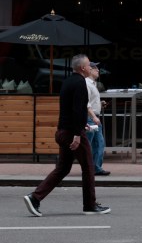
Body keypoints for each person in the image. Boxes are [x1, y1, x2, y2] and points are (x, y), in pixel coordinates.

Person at [23, 54, 110, 217]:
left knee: (63, 168)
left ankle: (34, 198)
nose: (91, 68)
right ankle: (90, 205)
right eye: (89, 66)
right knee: (89, 167)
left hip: (63, 130)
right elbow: (78, 110)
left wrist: (80, 126)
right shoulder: (80, 83)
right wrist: (78, 134)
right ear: (83, 68)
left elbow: (69, 109)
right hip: (72, 133)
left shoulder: (68, 81)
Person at [85, 62, 110, 176]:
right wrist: (93, 116)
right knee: (89, 144)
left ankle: (95, 168)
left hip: (94, 117)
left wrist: (100, 104)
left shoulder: (93, 84)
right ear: (89, 70)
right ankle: (90, 168)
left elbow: (91, 101)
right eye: (95, 68)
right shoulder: (86, 84)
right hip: (90, 118)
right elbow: (86, 103)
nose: (98, 70)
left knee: (98, 143)